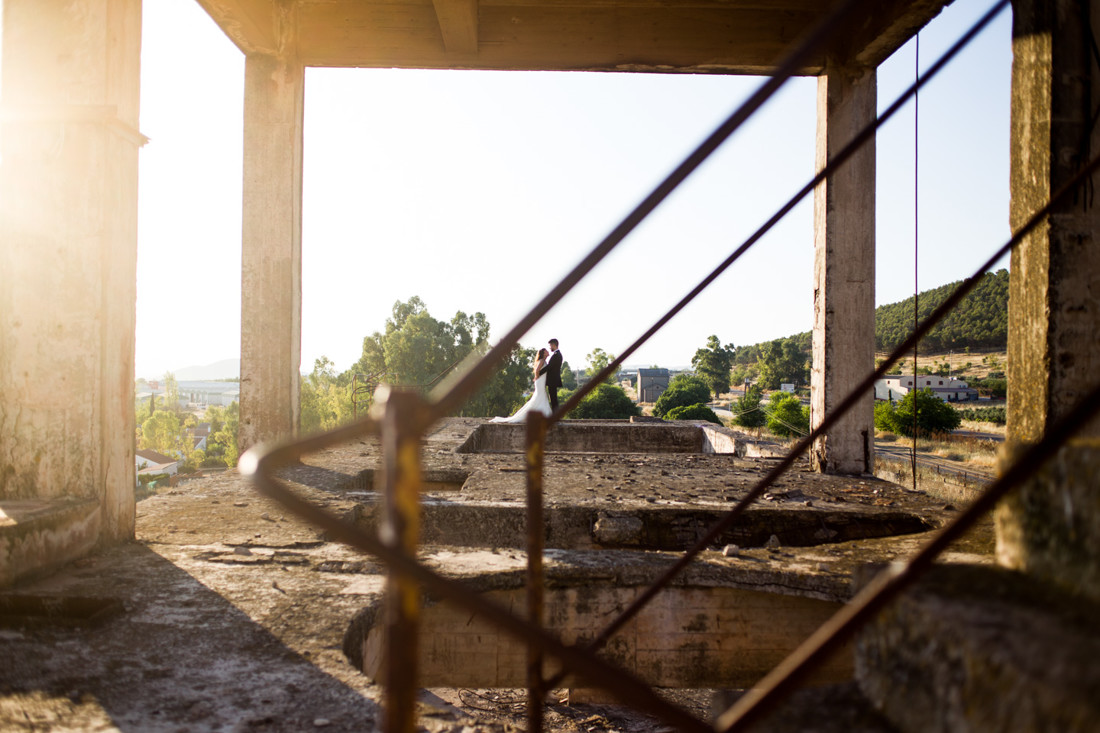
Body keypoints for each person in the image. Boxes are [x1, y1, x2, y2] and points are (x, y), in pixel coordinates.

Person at [490, 348, 553, 423]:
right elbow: (537, 370)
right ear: (543, 353)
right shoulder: (542, 360)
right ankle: (545, 414)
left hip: (541, 381)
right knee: (541, 395)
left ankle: (543, 414)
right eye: (546, 351)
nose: (548, 351)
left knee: (541, 396)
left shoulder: (544, 360)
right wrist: (536, 377)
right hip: (539, 381)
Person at [540, 338, 563, 411]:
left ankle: (555, 415)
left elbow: (549, 367)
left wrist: (539, 373)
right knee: (553, 398)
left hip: (553, 380)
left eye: (550, 346)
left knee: (553, 398)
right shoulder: (557, 354)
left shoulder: (557, 355)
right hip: (553, 380)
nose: (550, 348)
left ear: (553, 345)